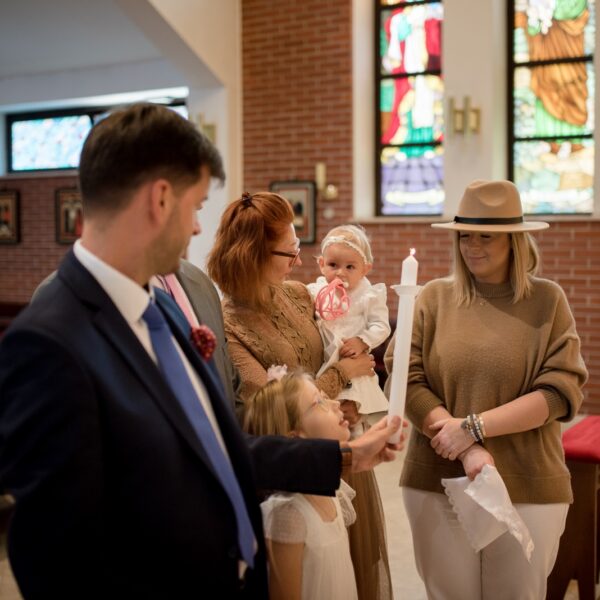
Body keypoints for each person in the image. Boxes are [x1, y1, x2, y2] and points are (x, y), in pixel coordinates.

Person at [0, 103, 404, 599]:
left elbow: (212, 446)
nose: (197, 228)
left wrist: (342, 456)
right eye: (196, 206)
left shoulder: (163, 307)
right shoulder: (49, 339)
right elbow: (52, 553)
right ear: (160, 199)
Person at [384, 179, 588, 600]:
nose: (472, 246)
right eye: (465, 236)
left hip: (528, 483)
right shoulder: (433, 298)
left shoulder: (547, 300)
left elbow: (560, 390)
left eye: (486, 236)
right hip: (438, 479)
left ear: (515, 241)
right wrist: (466, 448)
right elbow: (406, 377)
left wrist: (473, 428)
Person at [207, 194, 392, 600]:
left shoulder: (297, 294)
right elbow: (270, 407)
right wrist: (344, 375)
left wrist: (357, 362)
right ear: (253, 255)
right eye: (289, 251)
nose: (297, 260)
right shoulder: (229, 326)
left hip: (341, 440)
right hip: (295, 467)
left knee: (352, 566)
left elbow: (338, 340)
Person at [244, 367, 358, 600]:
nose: (335, 404)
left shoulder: (331, 490)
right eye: (319, 402)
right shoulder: (287, 515)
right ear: (294, 438)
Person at [307, 223, 391, 434]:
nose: (340, 273)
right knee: (324, 415)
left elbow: (381, 325)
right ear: (321, 264)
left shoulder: (368, 295)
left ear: (365, 269)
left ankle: (357, 444)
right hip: (323, 364)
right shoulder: (316, 291)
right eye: (333, 265)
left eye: (350, 267)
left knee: (352, 419)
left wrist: (362, 341)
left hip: (353, 363)